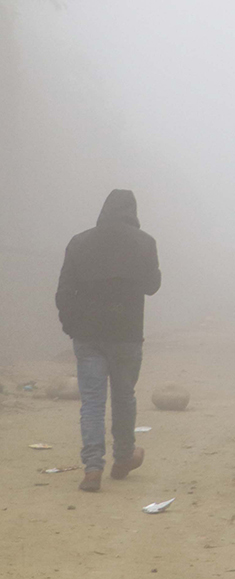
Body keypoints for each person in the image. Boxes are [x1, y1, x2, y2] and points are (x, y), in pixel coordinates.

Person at [54, 189, 160, 493]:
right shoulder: (145, 243)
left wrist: (70, 324)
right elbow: (152, 286)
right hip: (126, 333)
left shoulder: (80, 242)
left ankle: (92, 468)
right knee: (124, 396)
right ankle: (124, 457)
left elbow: (64, 290)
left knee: (92, 402)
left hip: (88, 335)